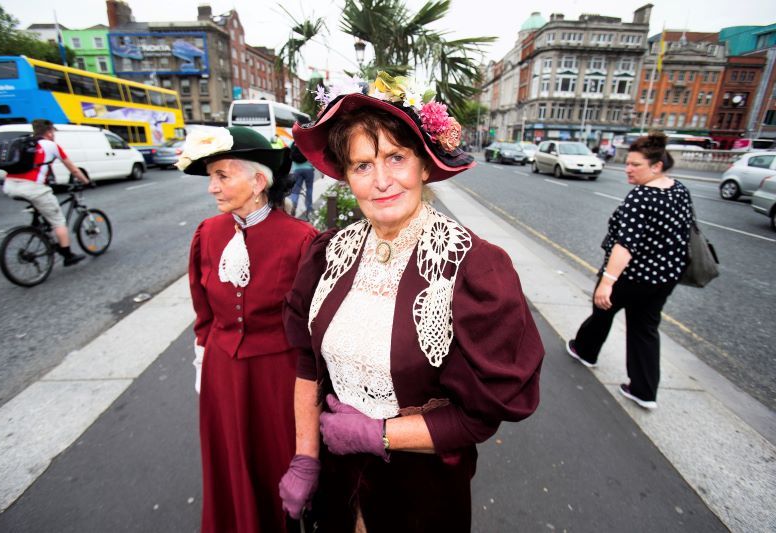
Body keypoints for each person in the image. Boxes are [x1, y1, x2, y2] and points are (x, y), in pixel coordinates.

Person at [278, 73, 544, 532]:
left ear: (424, 165)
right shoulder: (326, 254)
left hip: (422, 494)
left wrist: (377, 434)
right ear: (346, 177)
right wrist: (305, 457)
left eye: (395, 158)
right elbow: (307, 361)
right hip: (337, 483)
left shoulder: (473, 267)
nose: (381, 181)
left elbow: (482, 415)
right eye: (362, 166)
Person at [178, 126, 318, 532]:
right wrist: (204, 358)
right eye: (211, 177)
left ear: (258, 181)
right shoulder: (207, 233)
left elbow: (312, 322)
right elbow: (202, 312)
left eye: (223, 175)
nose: (212, 188)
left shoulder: (301, 239)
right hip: (222, 374)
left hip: (278, 378)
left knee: (275, 461)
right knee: (229, 461)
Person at [566, 132, 693, 410]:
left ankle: (585, 351)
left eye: (635, 164)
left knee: (602, 311)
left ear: (656, 166)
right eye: (628, 163)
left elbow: (625, 246)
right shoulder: (679, 189)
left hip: (631, 276)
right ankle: (644, 391)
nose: (628, 168)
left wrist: (607, 282)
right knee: (645, 329)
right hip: (665, 276)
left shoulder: (641, 196)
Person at [2, 119, 90, 266]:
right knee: (58, 221)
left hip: (10, 186)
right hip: (32, 188)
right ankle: (68, 255)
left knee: (42, 209)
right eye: (53, 132)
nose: (53, 135)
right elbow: (73, 169)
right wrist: (86, 181)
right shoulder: (51, 145)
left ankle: (39, 226)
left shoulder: (24, 143)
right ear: (49, 132)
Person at [288, 141, 315, 219]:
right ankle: (309, 209)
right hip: (309, 170)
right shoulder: (307, 144)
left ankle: (293, 208)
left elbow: (288, 156)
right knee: (309, 189)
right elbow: (314, 157)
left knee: (295, 190)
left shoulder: (292, 144)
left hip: (297, 170)